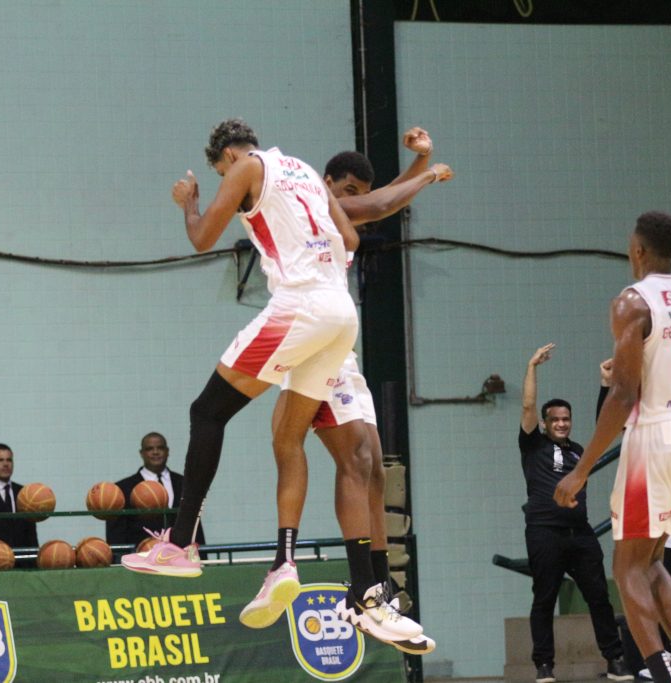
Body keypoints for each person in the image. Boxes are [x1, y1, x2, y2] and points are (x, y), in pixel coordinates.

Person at [122, 118, 419, 646]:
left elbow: (202, 237)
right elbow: (350, 236)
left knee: (207, 412)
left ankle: (182, 543)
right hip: (340, 316)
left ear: (228, 157)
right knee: (291, 438)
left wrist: (188, 203)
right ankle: (331, 579)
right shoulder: (302, 169)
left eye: (218, 173)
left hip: (300, 307)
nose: (222, 182)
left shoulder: (248, 168)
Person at [266, 129, 452, 655]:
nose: (349, 199)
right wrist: (428, 170)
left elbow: (377, 201)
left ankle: (374, 588)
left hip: (337, 348)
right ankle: (364, 593)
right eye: (344, 189)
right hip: (308, 342)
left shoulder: (340, 214)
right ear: (325, 185)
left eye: (354, 191)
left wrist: (419, 163)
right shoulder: (311, 206)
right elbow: (379, 203)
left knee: (373, 463)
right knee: (355, 457)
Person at [555, 211, 671, 683]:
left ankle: (660, 673)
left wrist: (583, 470)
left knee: (627, 567)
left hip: (654, 437)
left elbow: (622, 395)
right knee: (654, 557)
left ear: (637, 250)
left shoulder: (632, 302)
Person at [519, 344, 633, 683]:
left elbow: (606, 428)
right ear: (544, 423)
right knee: (545, 598)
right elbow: (526, 405)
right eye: (555, 420)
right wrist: (532, 366)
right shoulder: (533, 445)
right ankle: (544, 666)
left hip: (579, 533)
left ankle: (614, 659)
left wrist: (604, 384)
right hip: (544, 531)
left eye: (566, 419)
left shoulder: (580, 452)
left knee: (599, 596)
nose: (561, 424)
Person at [106, 433, 205, 553]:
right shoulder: (123, 488)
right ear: (141, 453)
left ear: (167, 451)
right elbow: (116, 535)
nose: (155, 452)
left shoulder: (185, 484)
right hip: (142, 559)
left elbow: (195, 525)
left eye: (160, 448)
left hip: (181, 558)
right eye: (150, 449)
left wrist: (202, 557)